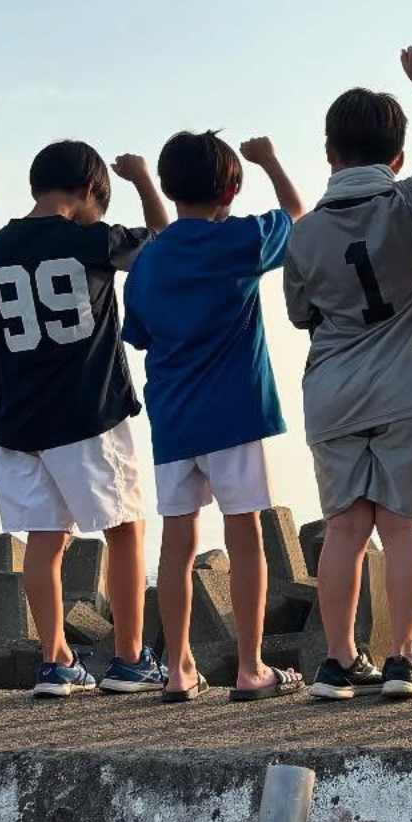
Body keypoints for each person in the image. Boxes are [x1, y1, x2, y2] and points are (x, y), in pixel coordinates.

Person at [0, 141, 171, 698]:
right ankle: (130, 658)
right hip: (90, 411)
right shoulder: (92, 239)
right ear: (89, 191)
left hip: (20, 421)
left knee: (45, 540)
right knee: (125, 528)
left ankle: (55, 661)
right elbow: (165, 240)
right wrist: (143, 181)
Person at [284, 48, 412, 701]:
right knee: (402, 526)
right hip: (405, 384)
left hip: (331, 390)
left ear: (329, 153)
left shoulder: (303, 234)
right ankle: (403, 660)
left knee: (345, 528)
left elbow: (301, 313)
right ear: (397, 156)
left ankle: (337, 661)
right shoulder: (409, 202)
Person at [123, 131, 306, 703]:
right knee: (245, 535)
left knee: (176, 544)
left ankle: (179, 669)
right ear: (230, 190)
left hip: (173, 418)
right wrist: (270, 159)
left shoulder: (148, 261)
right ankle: (250, 667)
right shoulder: (241, 240)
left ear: (169, 187)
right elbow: (296, 215)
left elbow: (140, 334)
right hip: (235, 414)